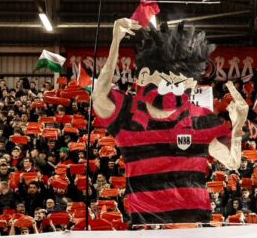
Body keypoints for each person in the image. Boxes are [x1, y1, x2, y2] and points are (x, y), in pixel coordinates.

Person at [92, 17, 247, 225]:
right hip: (147, 226)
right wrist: (115, 42)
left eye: (182, 82)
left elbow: (233, 162)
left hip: (194, 225)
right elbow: (99, 95)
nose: (175, 87)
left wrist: (238, 126)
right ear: (144, 76)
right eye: (167, 80)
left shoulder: (201, 118)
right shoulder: (126, 112)